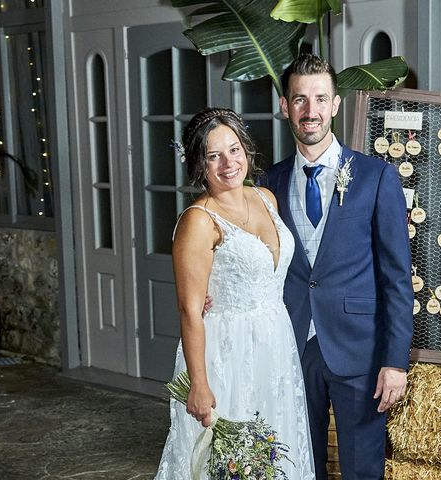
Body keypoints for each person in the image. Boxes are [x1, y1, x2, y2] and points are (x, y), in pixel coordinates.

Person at [260, 54, 414, 479]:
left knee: (363, 469)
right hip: (290, 348)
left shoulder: (375, 177)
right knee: (298, 467)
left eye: (320, 99)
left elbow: (397, 278)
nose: (310, 111)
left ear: (335, 105)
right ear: (284, 105)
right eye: (300, 100)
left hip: (360, 352)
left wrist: (395, 361)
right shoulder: (266, 184)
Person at [154, 107, 315, 479]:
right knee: (226, 461)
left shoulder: (265, 198)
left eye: (234, 149)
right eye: (214, 156)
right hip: (226, 353)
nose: (228, 163)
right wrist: (198, 383)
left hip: (275, 345)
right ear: (199, 164)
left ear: (246, 149)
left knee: (275, 449)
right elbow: (190, 310)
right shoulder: (198, 220)